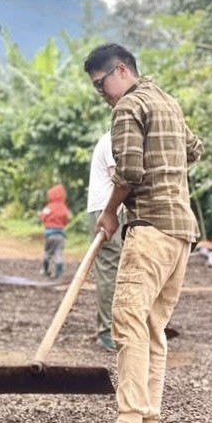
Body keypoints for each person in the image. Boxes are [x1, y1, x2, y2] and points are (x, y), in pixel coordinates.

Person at [84, 43, 203, 423]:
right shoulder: (167, 102)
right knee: (154, 326)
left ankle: (131, 416)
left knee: (128, 320)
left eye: (102, 85)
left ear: (121, 71)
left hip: (150, 227)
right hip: (181, 229)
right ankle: (148, 419)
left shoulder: (128, 108)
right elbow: (194, 149)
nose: (102, 95)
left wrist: (109, 211)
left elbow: (131, 171)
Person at [87, 129, 122, 352]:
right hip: (107, 209)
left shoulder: (122, 137)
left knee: (120, 268)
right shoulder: (115, 139)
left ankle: (117, 327)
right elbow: (118, 177)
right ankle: (107, 331)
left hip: (114, 208)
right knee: (110, 269)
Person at [38, 183, 70, 280]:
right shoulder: (64, 207)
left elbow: (42, 217)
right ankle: (58, 273)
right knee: (58, 253)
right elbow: (66, 219)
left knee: (47, 252)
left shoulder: (49, 207)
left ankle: (45, 270)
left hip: (49, 234)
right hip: (60, 235)